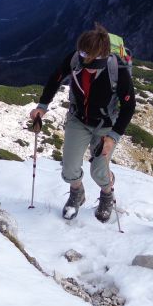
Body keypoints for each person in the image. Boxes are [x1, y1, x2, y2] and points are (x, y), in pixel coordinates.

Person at [28, 23, 136, 222]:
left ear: (102, 57)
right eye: (83, 55)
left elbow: (129, 107)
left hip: (105, 125)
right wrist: (42, 106)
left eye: (89, 59)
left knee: (98, 171)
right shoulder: (76, 58)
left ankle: (107, 195)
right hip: (78, 119)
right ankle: (77, 193)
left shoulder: (117, 71)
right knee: (69, 168)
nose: (84, 61)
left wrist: (113, 137)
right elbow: (55, 78)